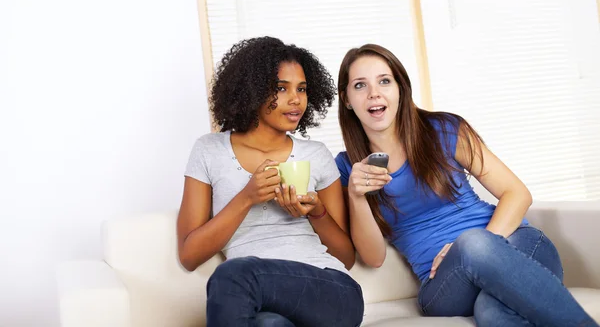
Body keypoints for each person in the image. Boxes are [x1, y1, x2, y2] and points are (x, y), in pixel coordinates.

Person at [334, 43, 598, 326]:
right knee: (471, 244)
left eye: (384, 81)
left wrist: (470, 247)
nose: (374, 92)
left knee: (491, 309)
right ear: (347, 98)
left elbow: (517, 193)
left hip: (517, 245)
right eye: (360, 85)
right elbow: (373, 258)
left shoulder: (443, 129)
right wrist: (357, 196)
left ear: (400, 88)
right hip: (445, 284)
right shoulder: (348, 168)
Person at [177, 37, 364, 327]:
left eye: (301, 89)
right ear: (251, 91)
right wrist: (247, 197)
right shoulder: (209, 150)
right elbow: (190, 254)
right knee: (268, 324)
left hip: (331, 290)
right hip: (258, 300)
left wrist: (316, 213)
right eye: (281, 88)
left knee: (232, 274)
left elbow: (346, 257)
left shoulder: (315, 154)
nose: (296, 99)